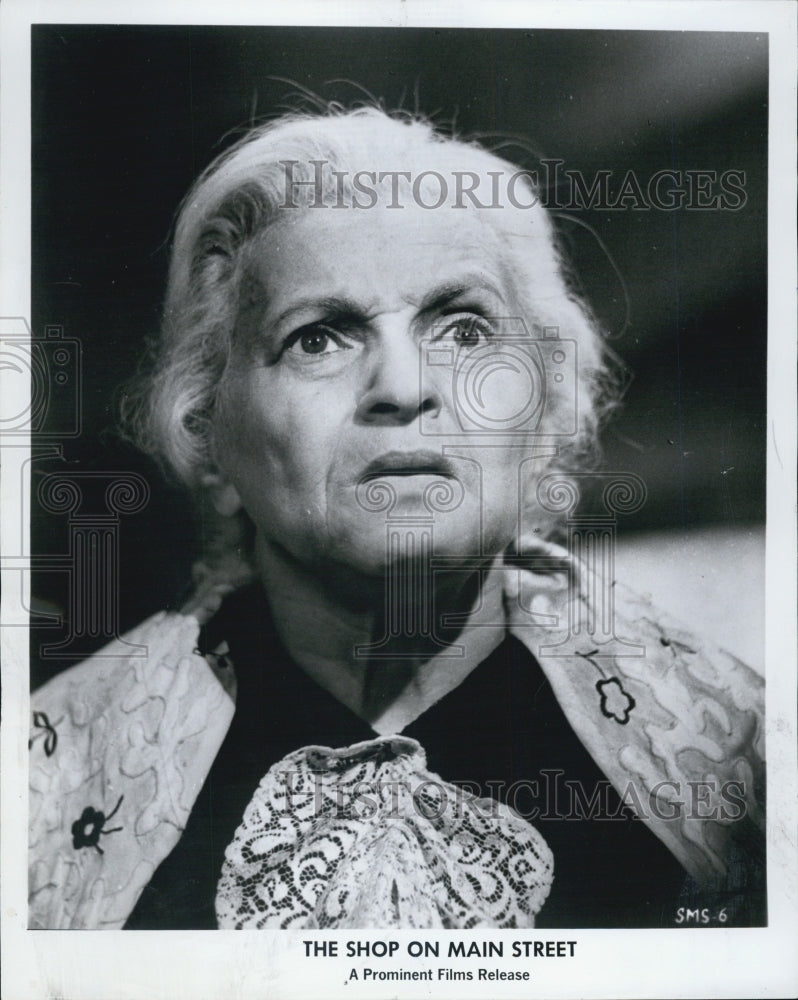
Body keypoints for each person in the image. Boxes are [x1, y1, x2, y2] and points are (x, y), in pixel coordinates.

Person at [28, 106, 765, 930]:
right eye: (318, 339)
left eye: (463, 328)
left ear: (548, 407)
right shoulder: (47, 779)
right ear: (207, 431)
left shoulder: (747, 762)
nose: (405, 387)